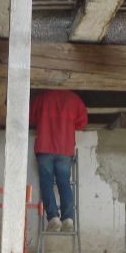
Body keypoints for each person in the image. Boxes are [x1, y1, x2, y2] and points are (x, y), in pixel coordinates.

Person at [29, 89, 87, 232]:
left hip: (45, 147)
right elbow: (82, 123)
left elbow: (31, 118)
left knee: (46, 183)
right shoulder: (74, 99)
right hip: (64, 148)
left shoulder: (42, 97)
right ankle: (68, 219)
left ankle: (53, 218)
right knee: (64, 183)